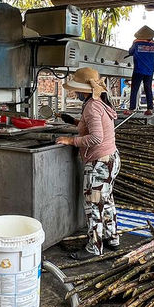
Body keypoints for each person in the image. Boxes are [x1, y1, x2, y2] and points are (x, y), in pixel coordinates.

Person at [55, 67, 120, 260]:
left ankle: (94, 247)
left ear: (84, 90)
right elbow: (93, 126)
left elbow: (96, 138)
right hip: (111, 158)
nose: (74, 92)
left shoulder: (91, 106)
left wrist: (70, 140)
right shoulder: (99, 102)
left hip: (99, 162)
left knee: (93, 205)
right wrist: (74, 122)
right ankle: (111, 238)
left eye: (76, 89)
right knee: (106, 201)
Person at [124, 25, 154, 116]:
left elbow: (130, 52)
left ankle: (131, 109)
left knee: (134, 89)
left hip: (139, 70)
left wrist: (134, 45)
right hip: (150, 71)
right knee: (148, 89)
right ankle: (150, 108)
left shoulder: (136, 44)